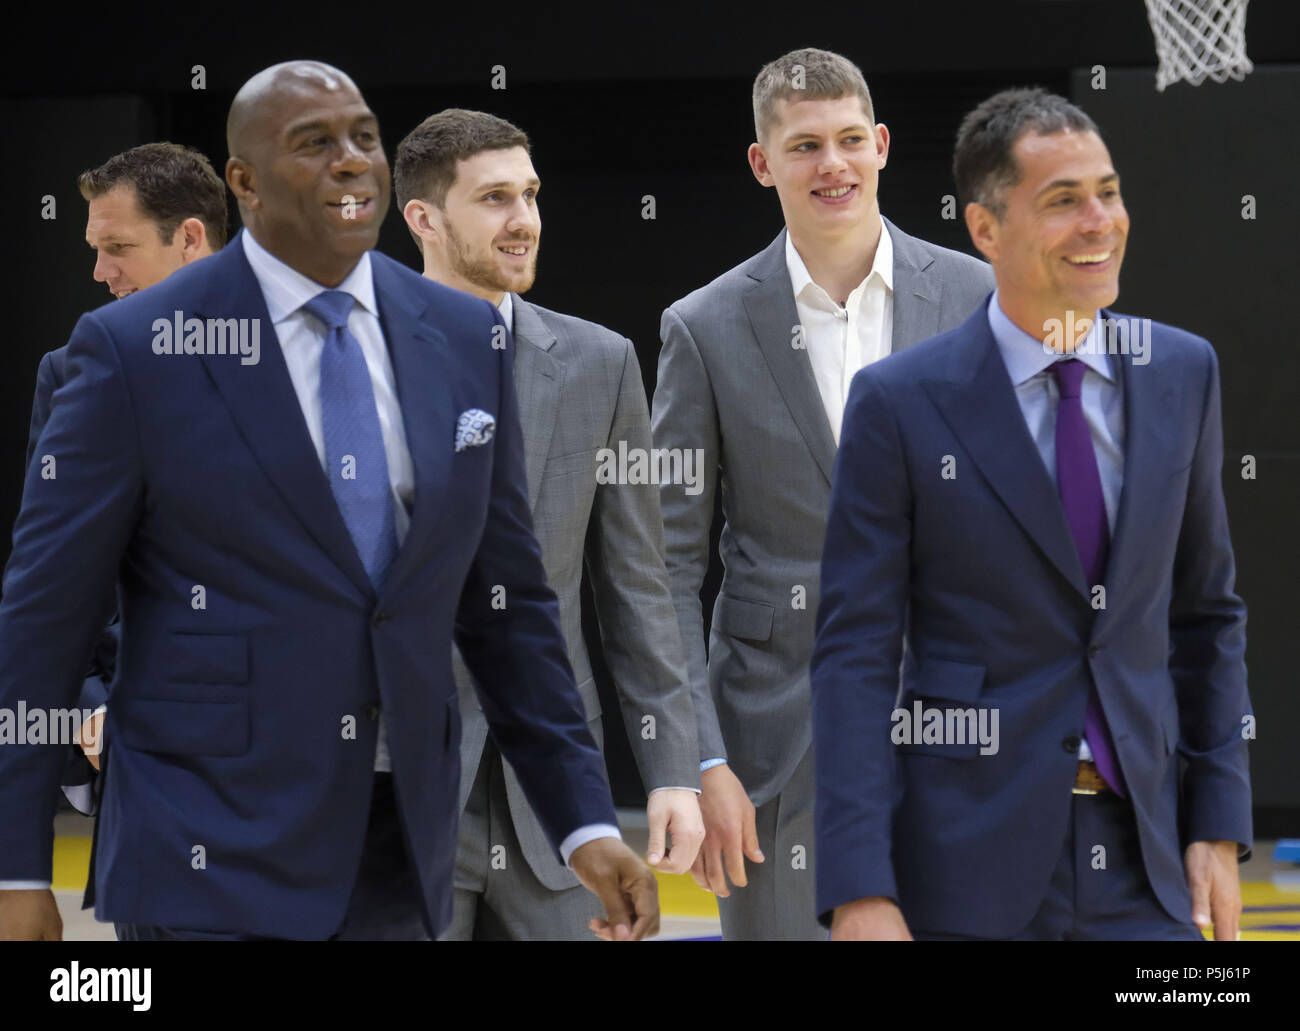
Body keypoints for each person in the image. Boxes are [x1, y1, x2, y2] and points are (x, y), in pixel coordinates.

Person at [0, 60, 656, 942]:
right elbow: (44, 622)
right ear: (244, 181)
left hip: (401, 844)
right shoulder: (130, 349)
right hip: (204, 846)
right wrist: (16, 864)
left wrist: (584, 821)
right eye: (314, 144)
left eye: (364, 139)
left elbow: (511, 610)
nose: (350, 161)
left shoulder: (464, 340)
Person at [812, 87, 1251, 941]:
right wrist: (860, 885)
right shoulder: (901, 404)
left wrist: (1217, 822)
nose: (1100, 221)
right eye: (1063, 201)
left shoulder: (1182, 371)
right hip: (963, 869)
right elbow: (854, 657)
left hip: (1150, 866)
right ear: (985, 229)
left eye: (1109, 192)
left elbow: (1208, 617)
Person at [651, 46, 993, 939]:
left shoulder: (981, 301)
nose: (832, 164)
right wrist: (702, 759)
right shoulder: (704, 326)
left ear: (880, 144)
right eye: (805, 146)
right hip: (772, 747)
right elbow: (664, 570)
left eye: (849, 139)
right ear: (764, 164)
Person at [394, 108, 704, 939]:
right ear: (424, 217)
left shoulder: (603, 362)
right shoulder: (355, 361)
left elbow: (637, 582)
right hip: (395, 790)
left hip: (560, 810)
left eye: (530, 194)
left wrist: (673, 768)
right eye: (495, 198)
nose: (524, 218)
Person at [25, 142, 228, 814]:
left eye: (117, 246)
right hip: (134, 750)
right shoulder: (71, 372)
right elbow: (55, 574)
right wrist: (87, 707)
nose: (99, 270)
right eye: (94, 246)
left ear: (190, 238)